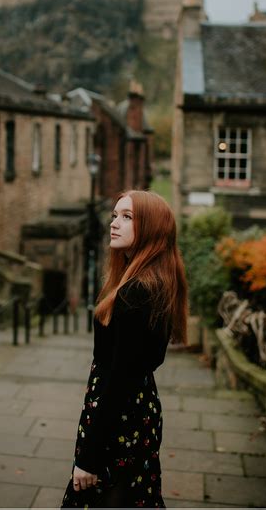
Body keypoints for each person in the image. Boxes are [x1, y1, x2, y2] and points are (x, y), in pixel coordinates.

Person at [61, 190, 188, 509]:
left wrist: (89, 457)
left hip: (120, 421)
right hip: (133, 414)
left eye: (127, 217)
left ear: (152, 228)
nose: (114, 224)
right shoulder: (151, 282)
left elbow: (119, 380)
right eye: (115, 215)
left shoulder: (137, 293)